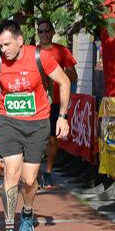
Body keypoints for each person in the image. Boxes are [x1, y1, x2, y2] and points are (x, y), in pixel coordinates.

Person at [0, 20, 71, 231]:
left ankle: (27, 213)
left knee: (29, 180)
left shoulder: (39, 57)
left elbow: (64, 82)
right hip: (9, 123)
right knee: (11, 175)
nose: (3, 49)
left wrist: (62, 115)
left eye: (6, 45)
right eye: (0, 45)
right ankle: (7, 228)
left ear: (20, 40)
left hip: (37, 125)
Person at [36, 19, 78, 188]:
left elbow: (74, 76)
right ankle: (34, 170)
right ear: (37, 34)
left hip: (56, 101)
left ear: (53, 32)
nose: (44, 34)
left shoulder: (62, 51)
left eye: (47, 31)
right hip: (36, 102)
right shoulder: (33, 52)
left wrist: (63, 74)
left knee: (52, 139)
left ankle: (48, 172)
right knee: (37, 138)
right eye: (41, 31)